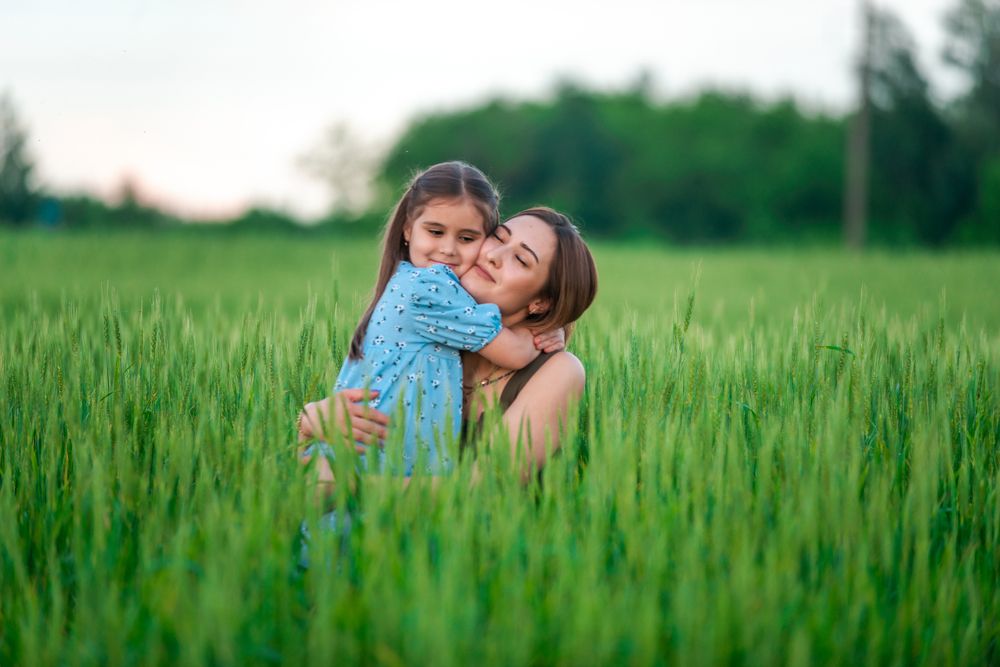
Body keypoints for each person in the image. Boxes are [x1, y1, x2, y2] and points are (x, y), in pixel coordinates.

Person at [299, 162, 563, 478]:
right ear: (408, 229)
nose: (447, 249)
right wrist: (545, 331)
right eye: (435, 232)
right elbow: (517, 353)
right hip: (373, 458)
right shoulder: (430, 287)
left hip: (382, 467)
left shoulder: (420, 287)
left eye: (467, 238)